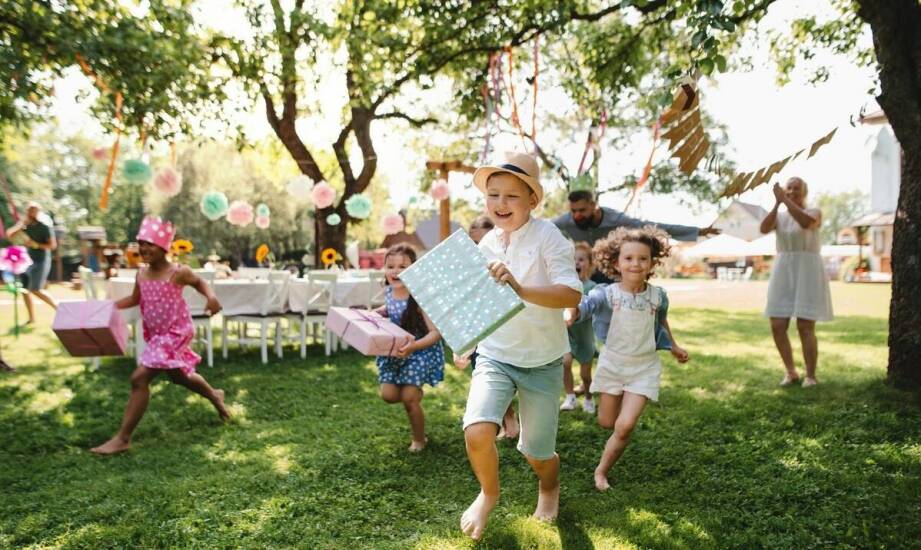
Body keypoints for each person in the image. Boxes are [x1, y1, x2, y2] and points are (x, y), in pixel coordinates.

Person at [460, 152, 582, 540]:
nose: (500, 204)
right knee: (477, 430)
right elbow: (479, 301)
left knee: (537, 452)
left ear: (532, 200)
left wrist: (521, 287)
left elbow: (571, 294)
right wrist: (467, 340)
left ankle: (549, 485)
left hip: (543, 360)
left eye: (511, 196)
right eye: (493, 195)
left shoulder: (549, 237)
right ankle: (488, 494)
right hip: (496, 354)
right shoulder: (486, 244)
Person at [91, 216, 229, 455]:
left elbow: (199, 283)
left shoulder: (178, 272)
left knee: (139, 378)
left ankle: (123, 438)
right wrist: (110, 306)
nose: (143, 248)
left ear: (164, 246)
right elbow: (135, 299)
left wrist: (211, 297)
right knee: (180, 377)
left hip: (176, 332)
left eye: (150, 243)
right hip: (157, 335)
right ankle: (215, 395)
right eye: (141, 243)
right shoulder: (141, 275)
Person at [583, 225, 689, 491]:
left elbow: (661, 321)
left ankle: (601, 472)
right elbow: (587, 305)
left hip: (644, 368)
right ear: (616, 262)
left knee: (625, 426)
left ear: (652, 262)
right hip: (613, 365)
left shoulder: (657, 296)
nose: (636, 264)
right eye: (628, 258)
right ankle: (616, 413)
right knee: (607, 422)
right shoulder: (606, 294)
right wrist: (571, 313)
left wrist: (673, 346)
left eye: (643, 258)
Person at [553, 190, 719, 282]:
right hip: (585, 270)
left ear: (594, 205)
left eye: (582, 210)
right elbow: (543, 227)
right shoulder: (566, 221)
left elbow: (652, 227)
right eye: (573, 211)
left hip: (610, 269)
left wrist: (697, 231)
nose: (577, 216)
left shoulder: (615, 219)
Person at [760, 177, 833, 387]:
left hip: (808, 270)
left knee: (805, 326)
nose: (791, 191)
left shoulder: (814, 212)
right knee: (777, 324)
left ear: (804, 192)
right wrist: (777, 203)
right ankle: (791, 372)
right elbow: (764, 228)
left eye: (796, 188)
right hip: (784, 269)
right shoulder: (780, 215)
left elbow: (805, 223)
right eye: (788, 188)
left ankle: (811, 375)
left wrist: (785, 200)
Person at [454, 214, 519, 440]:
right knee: (485, 375)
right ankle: (507, 419)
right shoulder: (468, 271)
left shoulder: (504, 266)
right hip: (480, 332)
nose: (478, 249)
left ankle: (515, 420)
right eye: (474, 244)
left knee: (507, 374)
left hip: (507, 331)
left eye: (483, 242)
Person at [375, 244, 445, 452]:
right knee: (388, 395)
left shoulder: (420, 298)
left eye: (403, 266)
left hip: (419, 352)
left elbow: (435, 333)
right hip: (396, 353)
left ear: (414, 270)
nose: (396, 271)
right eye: (391, 266)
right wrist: (376, 314)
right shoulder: (390, 292)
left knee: (408, 399)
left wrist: (414, 347)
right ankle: (414, 394)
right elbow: (390, 309)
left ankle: (419, 439)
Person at [560, 241, 597, 414]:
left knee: (585, 375)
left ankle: (589, 397)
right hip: (567, 335)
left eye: (581, 260)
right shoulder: (563, 288)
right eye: (572, 260)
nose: (576, 263)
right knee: (565, 363)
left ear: (589, 264)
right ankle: (570, 397)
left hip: (585, 337)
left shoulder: (592, 288)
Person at [7, 202, 58, 324]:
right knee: (24, 290)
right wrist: (21, 225)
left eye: (34, 210)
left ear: (38, 212)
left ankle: (59, 309)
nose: (31, 213)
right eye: (30, 210)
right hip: (28, 261)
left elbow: (53, 245)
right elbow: (10, 235)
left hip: (42, 260)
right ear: (27, 211)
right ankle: (31, 319)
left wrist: (36, 245)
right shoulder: (25, 225)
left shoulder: (44, 227)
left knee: (36, 289)